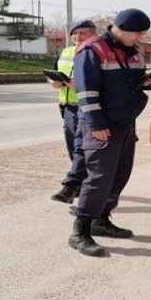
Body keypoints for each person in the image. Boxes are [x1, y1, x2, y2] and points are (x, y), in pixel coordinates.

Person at [68, 8, 151, 257]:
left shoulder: (134, 50)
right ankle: (80, 231)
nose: (139, 38)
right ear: (120, 28)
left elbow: (134, 82)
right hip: (102, 125)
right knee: (99, 177)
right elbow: (86, 93)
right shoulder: (91, 49)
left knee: (120, 174)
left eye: (142, 34)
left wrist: (149, 82)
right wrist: (97, 126)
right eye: (136, 33)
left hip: (125, 123)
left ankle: (102, 219)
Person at [49, 19, 98, 203]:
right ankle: (81, 182)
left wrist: (82, 85)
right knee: (73, 147)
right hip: (68, 107)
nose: (77, 37)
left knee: (80, 147)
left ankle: (71, 187)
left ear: (93, 34)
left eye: (82, 33)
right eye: (74, 34)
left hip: (88, 107)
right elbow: (56, 75)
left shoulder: (96, 53)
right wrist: (56, 82)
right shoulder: (66, 52)